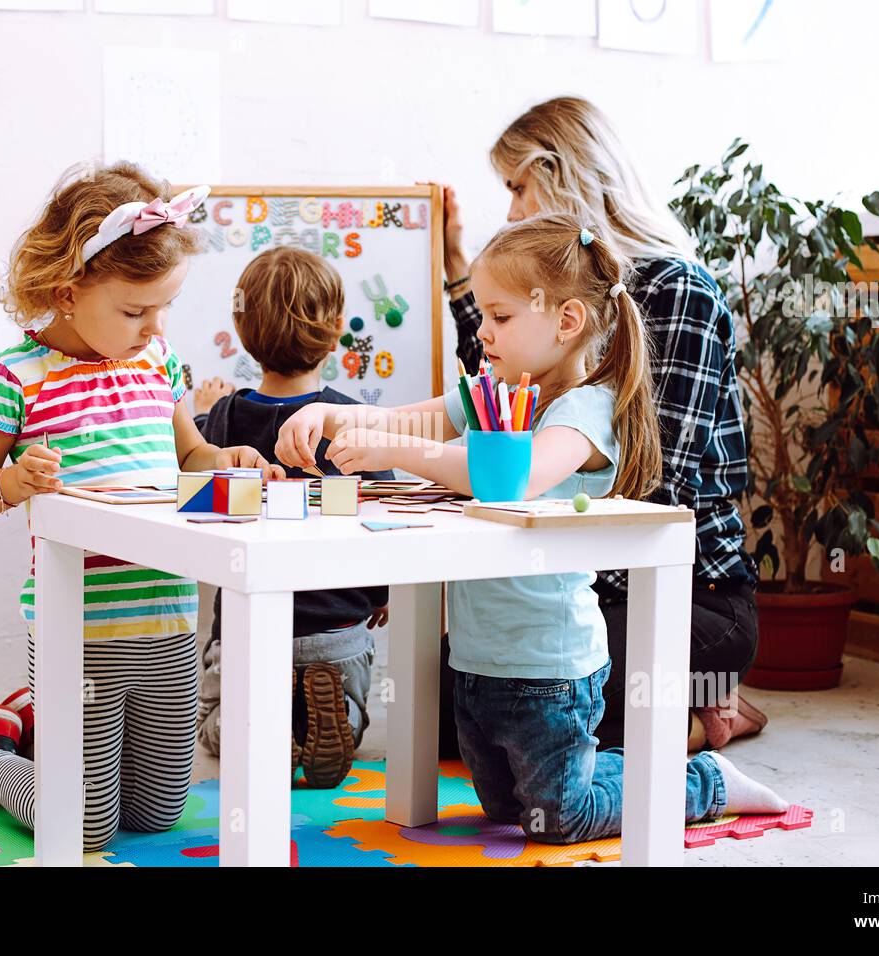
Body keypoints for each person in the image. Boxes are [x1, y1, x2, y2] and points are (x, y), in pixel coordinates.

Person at [274, 215, 788, 844]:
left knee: (560, 817)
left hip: (551, 663)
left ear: (567, 321)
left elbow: (512, 476)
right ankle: (634, 769)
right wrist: (331, 412)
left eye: (501, 316)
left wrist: (390, 449)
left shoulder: (585, 412)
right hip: (476, 658)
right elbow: (419, 421)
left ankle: (704, 780)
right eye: (485, 315)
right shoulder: (495, 391)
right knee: (505, 808)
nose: (482, 331)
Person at [0, 163, 282, 852]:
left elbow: (189, 457)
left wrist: (224, 461)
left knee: (161, 812)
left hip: (167, 622)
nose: (152, 326)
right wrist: (11, 483)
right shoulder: (16, 378)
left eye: (163, 308)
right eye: (135, 311)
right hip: (78, 633)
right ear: (68, 292)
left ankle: (32, 727)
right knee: (82, 824)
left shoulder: (157, 363)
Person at [440, 96, 766, 753]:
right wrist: (457, 271)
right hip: (576, 583)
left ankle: (703, 717)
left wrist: (532, 490)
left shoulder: (678, 292)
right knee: (447, 703)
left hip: (687, 597)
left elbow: (656, 483)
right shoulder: (559, 299)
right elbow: (496, 396)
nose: (511, 211)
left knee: (525, 700)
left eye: (518, 187)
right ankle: (659, 707)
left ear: (563, 176)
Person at [196, 246, 392, 788]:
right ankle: (340, 721)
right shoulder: (354, 418)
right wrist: (380, 594)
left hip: (250, 627)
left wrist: (205, 408)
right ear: (334, 335)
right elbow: (378, 517)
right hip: (340, 629)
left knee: (211, 726)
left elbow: (195, 484)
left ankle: (259, 728)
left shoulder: (225, 417)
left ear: (242, 331)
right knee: (352, 707)